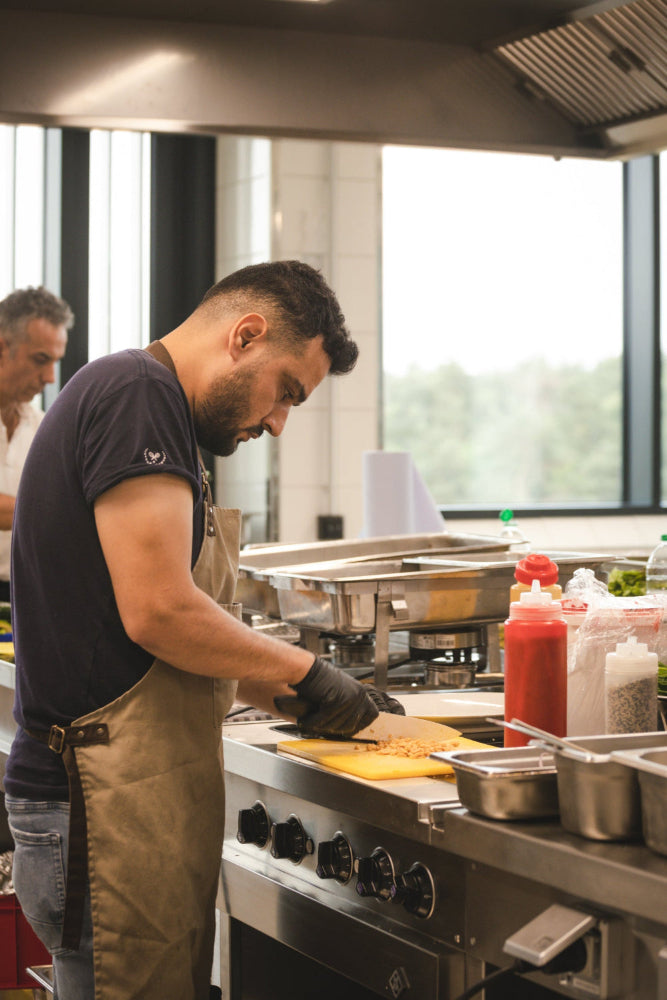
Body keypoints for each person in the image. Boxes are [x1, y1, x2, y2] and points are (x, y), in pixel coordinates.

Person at [4, 260, 403, 1000]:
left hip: (125, 797)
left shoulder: (155, 408)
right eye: (286, 390)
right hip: (99, 801)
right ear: (244, 336)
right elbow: (158, 611)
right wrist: (304, 672)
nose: (279, 422)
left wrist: (296, 698)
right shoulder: (137, 397)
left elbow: (162, 630)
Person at [0, 286, 72, 602]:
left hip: (22, 598)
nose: (50, 377)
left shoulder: (44, 428)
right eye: (40, 359)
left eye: (56, 361)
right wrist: (52, 512)